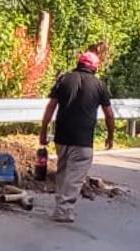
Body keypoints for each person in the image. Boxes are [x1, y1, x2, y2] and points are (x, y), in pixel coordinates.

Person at [38, 51, 115, 223]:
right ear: (95, 67)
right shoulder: (99, 85)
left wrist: (43, 130)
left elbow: (51, 106)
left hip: (62, 136)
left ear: (79, 63)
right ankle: (63, 211)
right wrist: (110, 135)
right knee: (75, 176)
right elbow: (109, 114)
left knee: (63, 172)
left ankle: (60, 206)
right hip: (83, 139)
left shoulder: (64, 79)